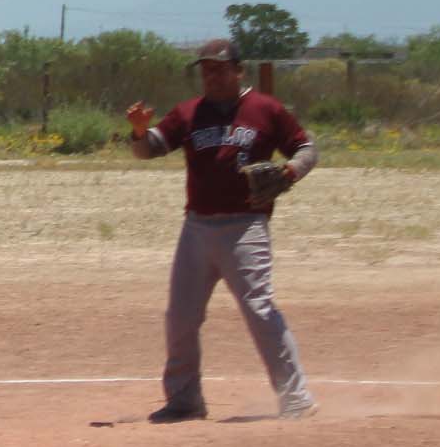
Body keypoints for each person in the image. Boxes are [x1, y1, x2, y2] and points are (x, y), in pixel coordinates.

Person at [126, 38, 320, 422]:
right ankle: (185, 401)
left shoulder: (266, 109)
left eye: (219, 69)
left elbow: (307, 149)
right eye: (205, 70)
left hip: (246, 226)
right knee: (181, 316)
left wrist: (290, 170)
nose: (211, 76)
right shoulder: (188, 113)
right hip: (197, 227)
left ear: (238, 70)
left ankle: (296, 398)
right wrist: (138, 132)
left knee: (259, 310)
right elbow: (150, 149)